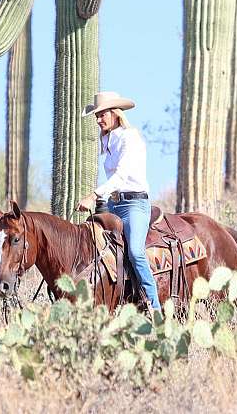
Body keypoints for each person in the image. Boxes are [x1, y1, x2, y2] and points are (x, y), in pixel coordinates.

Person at [76, 91, 161, 312]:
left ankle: (155, 306)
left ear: (115, 114)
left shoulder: (129, 137)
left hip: (134, 204)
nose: (98, 120)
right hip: (114, 204)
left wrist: (93, 195)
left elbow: (121, 176)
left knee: (135, 251)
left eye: (102, 114)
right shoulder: (108, 140)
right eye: (96, 116)